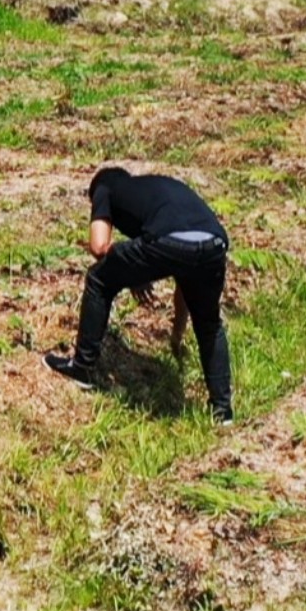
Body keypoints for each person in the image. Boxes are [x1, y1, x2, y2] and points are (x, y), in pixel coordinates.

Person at [45, 166, 234, 423]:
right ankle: (222, 411)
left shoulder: (104, 187)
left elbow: (99, 247)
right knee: (209, 324)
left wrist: (132, 271)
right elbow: (185, 278)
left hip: (168, 240)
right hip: (214, 243)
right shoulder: (155, 188)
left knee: (99, 279)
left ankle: (82, 368)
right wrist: (177, 334)